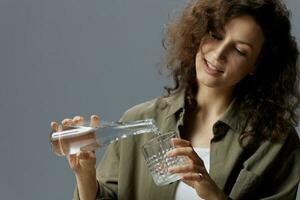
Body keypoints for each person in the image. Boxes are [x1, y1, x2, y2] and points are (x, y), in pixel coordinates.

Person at [50, 0, 300, 199]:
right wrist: (85, 175)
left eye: (239, 50)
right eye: (214, 34)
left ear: (257, 64)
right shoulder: (138, 120)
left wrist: (210, 191)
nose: (219, 53)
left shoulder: (276, 142)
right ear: (200, 33)